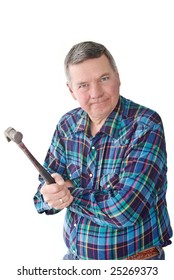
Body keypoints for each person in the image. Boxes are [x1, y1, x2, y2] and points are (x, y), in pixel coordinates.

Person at [34, 41, 173, 260]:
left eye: (104, 79)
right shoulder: (67, 125)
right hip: (75, 261)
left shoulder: (145, 125)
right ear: (71, 90)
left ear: (118, 77)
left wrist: (69, 194)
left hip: (135, 264)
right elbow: (43, 193)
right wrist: (50, 196)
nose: (96, 92)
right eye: (83, 85)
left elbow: (124, 210)